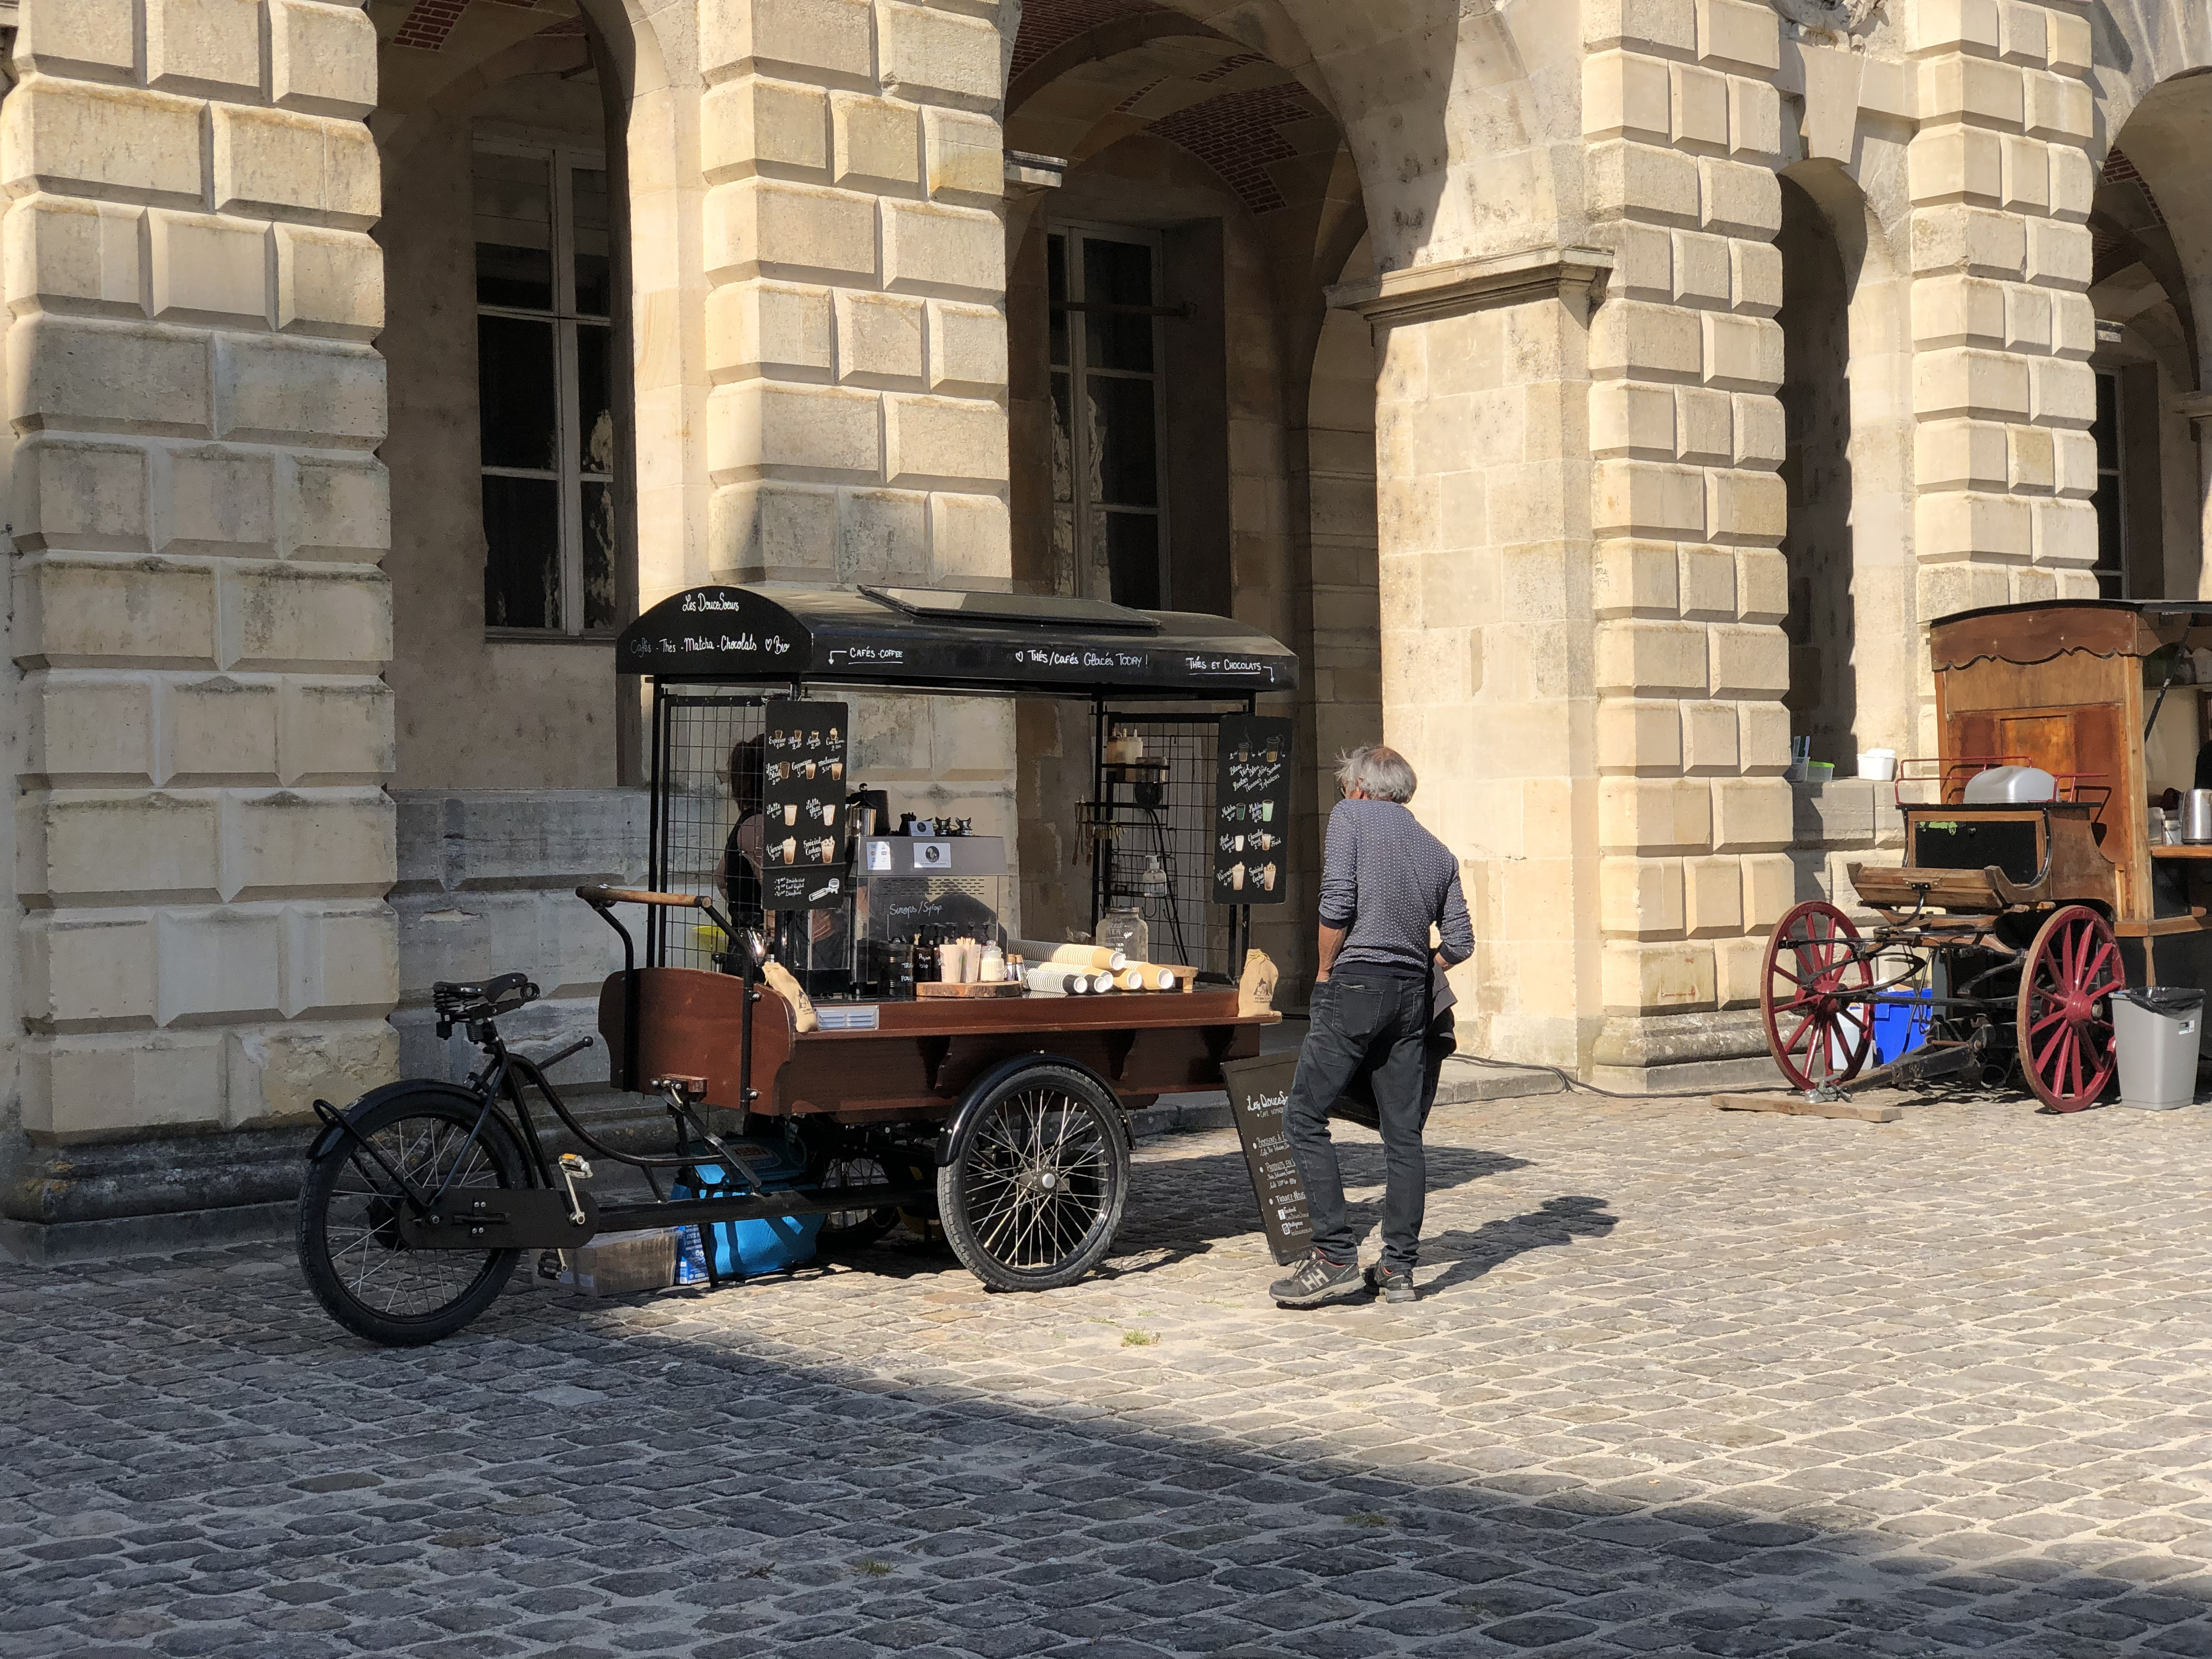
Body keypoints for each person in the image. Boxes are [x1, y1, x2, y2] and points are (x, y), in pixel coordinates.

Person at [1269, 744, 1472, 1308]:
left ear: (1358, 787)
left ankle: (1334, 1256)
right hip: (1412, 998)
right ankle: (1398, 1269)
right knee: (1403, 1135)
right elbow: (1460, 943)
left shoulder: (1350, 817)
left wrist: (1326, 970)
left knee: (1303, 1115)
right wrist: (1419, 967)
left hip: (1356, 984)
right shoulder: (1438, 851)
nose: (1343, 795)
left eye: (1344, 787)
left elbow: (1337, 902)